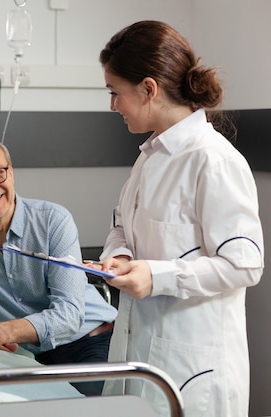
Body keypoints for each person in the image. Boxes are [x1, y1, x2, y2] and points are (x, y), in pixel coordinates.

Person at [93, 20, 264, 416]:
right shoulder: (148, 158)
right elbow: (122, 227)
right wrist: (118, 256)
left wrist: (156, 276)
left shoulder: (213, 160)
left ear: (149, 89)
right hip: (140, 360)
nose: (113, 105)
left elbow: (245, 264)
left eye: (116, 93)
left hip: (193, 373)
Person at [0, 138, 118, 396]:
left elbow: (70, 315)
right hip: (29, 355)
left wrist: (6, 331)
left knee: (80, 411)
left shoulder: (53, 221)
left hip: (91, 342)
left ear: (11, 173)